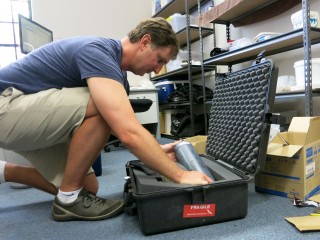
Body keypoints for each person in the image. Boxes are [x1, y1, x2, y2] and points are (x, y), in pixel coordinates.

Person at [0, 17, 213, 221]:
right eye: (159, 60)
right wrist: (181, 176)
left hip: (26, 120)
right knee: (101, 109)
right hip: (5, 107)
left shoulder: (118, 76)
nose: (158, 69)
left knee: (87, 188)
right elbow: (128, 132)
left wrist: (156, 150)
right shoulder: (98, 51)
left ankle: (5, 172)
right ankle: (67, 200)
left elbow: (115, 127)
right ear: (145, 42)